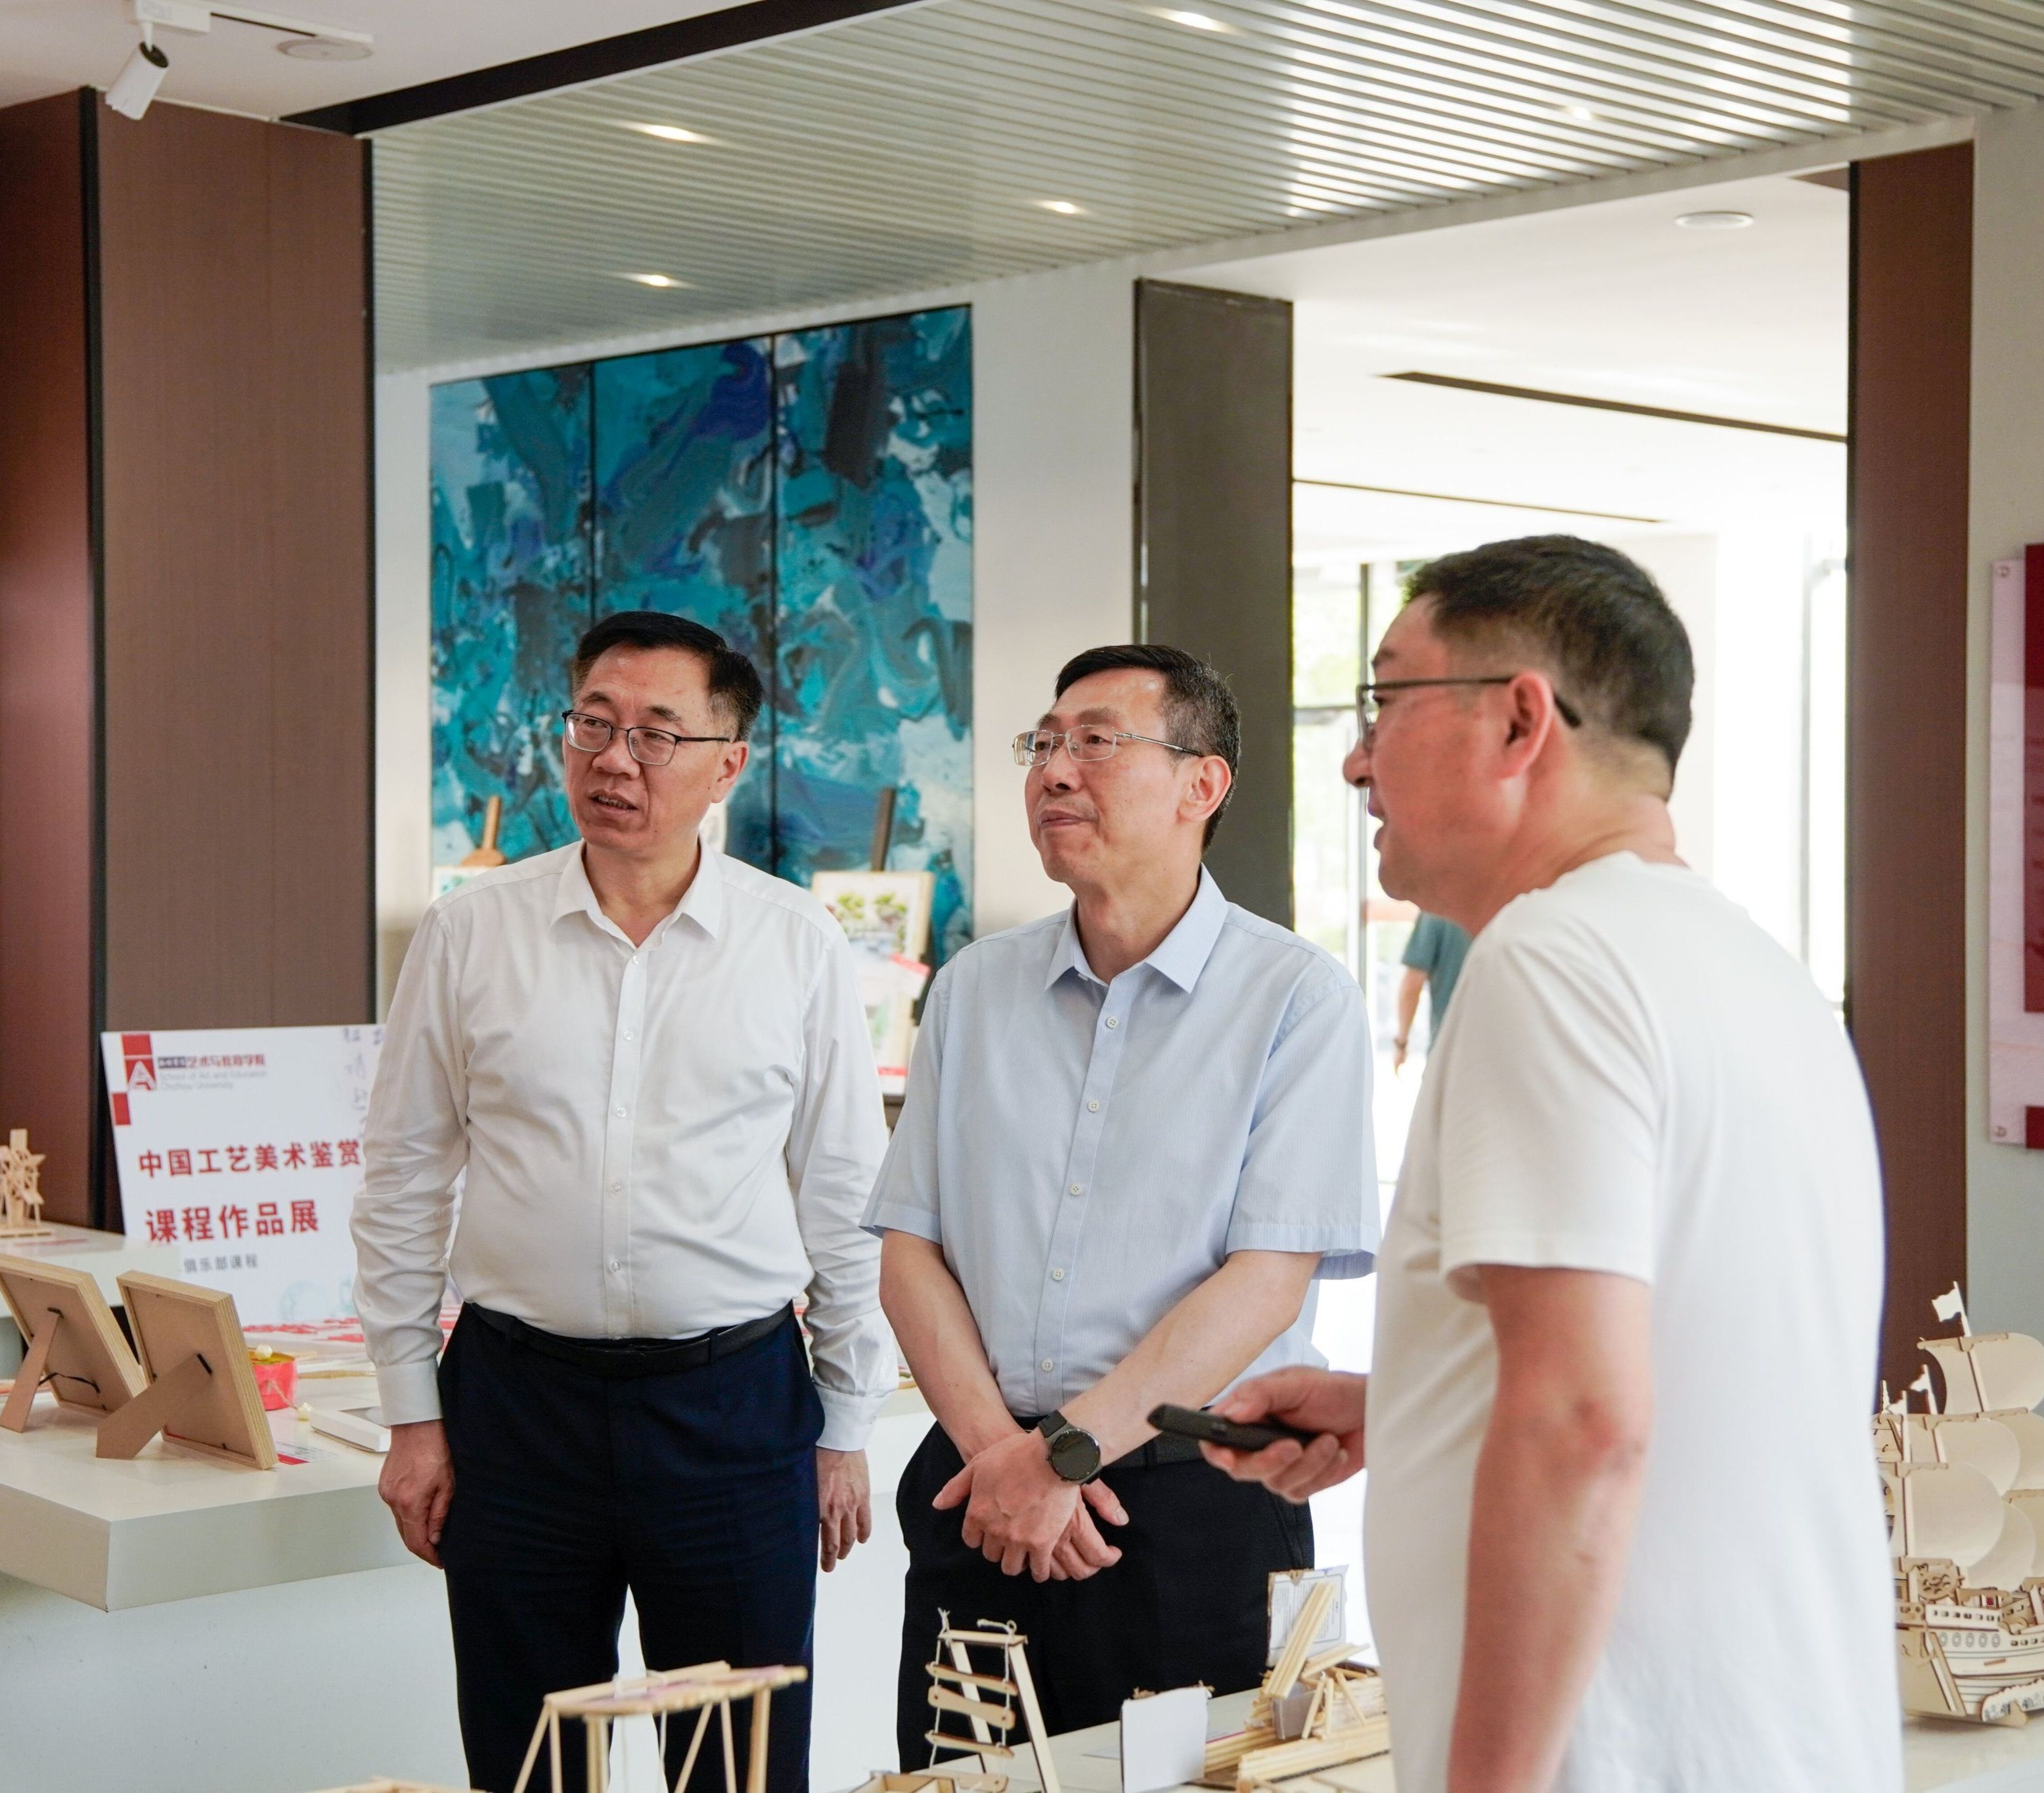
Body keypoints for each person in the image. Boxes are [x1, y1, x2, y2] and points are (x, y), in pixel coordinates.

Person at [1205, 537, 1899, 1793]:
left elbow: (1583, 1422)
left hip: (1617, 1756)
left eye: (1384, 699)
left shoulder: (1549, 962)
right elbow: (1692, 1365)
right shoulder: (1753, 971)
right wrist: (1405, 1404)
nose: (1356, 759)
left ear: (1520, 721)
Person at [353, 610, 897, 1793]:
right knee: (530, 1758)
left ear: (726, 763)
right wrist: (410, 1413)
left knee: (736, 1764)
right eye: (592, 724)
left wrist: (847, 1424)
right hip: (515, 1406)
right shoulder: (470, 931)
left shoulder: (794, 941)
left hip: (732, 1408)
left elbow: (847, 1195)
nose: (614, 759)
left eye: (656, 734)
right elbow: (402, 1176)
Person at [865, 643, 1379, 1758]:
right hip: (978, 1495)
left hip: (1193, 1504)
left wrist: (1062, 1456)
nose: (1054, 770)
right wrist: (1001, 1457)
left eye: (1095, 742)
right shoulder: (973, 989)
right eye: (1043, 744)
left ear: (1202, 784)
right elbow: (909, 1246)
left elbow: (1266, 1278)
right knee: (961, 1781)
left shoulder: (1296, 998)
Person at [1393, 914, 1471, 1070]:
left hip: (1449, 1052)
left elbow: (1412, 985)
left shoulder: (1436, 911)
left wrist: (1402, 1043)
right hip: (1504, 1051)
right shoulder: (1512, 905)